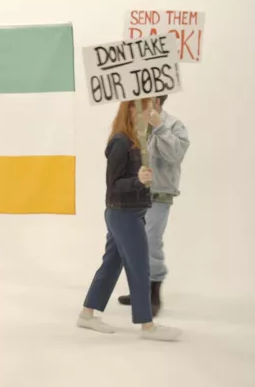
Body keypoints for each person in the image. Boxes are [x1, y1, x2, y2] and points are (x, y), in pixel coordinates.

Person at [77, 98, 181, 342]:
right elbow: (112, 186)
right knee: (140, 267)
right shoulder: (120, 143)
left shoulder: (138, 141)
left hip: (132, 212)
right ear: (132, 109)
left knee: (112, 264)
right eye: (148, 107)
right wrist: (138, 180)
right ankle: (147, 325)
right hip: (122, 213)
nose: (152, 112)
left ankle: (87, 313)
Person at [117, 95, 190, 316]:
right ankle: (140, 289)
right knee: (132, 241)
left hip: (159, 192)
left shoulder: (173, 125)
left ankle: (154, 288)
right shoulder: (135, 123)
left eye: (146, 99)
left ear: (157, 101)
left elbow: (175, 154)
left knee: (150, 239)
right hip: (135, 190)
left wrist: (158, 127)